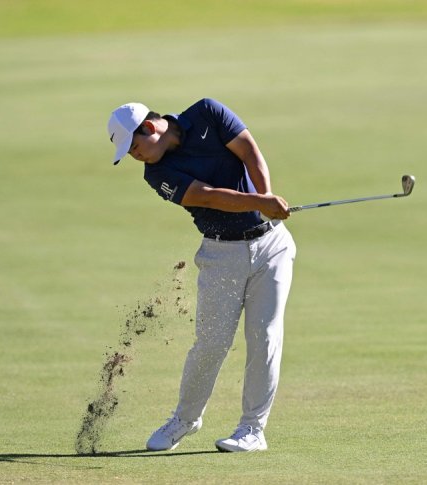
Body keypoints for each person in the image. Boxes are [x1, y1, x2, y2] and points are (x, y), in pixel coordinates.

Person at [107, 98, 296, 453]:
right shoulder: (157, 174)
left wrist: (266, 197)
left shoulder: (208, 112)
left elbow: (250, 152)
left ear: (149, 127)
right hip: (221, 254)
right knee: (210, 344)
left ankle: (252, 430)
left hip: (272, 248)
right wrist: (259, 203)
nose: (136, 157)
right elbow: (205, 197)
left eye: (133, 148)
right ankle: (185, 419)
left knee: (265, 337)